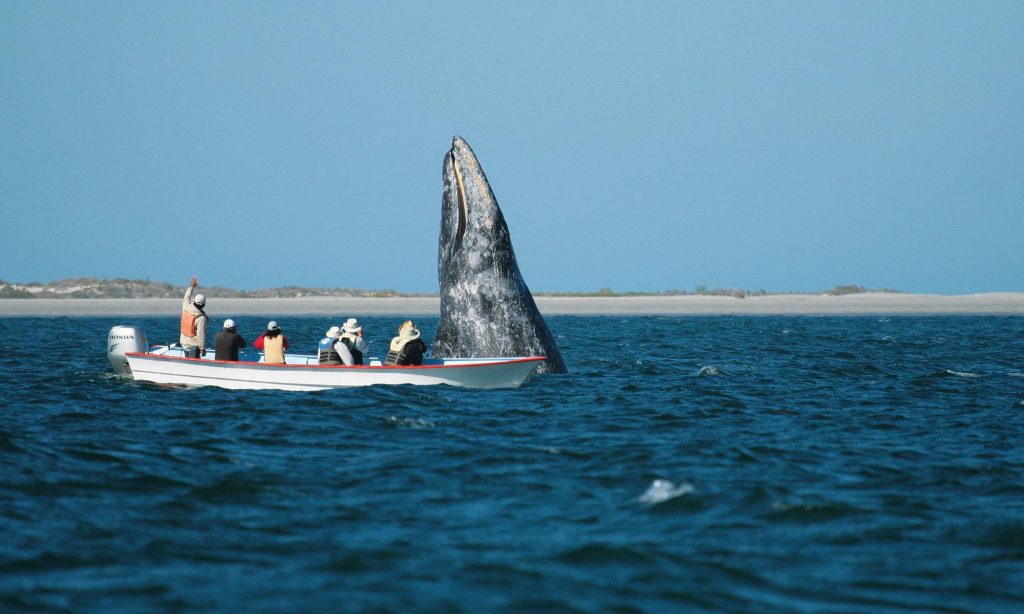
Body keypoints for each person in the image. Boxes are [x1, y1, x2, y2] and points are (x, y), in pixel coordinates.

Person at [180, 276, 208, 358]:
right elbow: (200, 334)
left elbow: (186, 297)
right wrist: (202, 348)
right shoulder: (201, 318)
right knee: (193, 366)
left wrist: (191, 286)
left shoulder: (186, 307)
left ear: (194, 301)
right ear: (203, 305)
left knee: (187, 363)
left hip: (183, 342)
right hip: (193, 345)